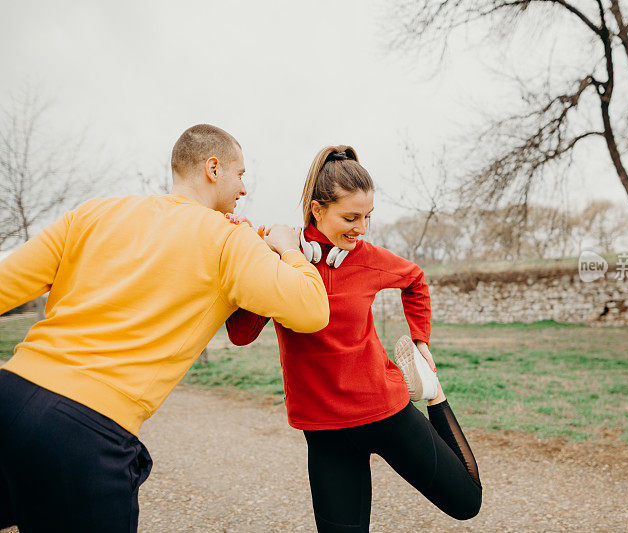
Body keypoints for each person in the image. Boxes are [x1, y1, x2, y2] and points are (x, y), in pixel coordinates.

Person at [0, 124, 329, 532]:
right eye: (240, 174)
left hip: (9, 395)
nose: (244, 188)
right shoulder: (229, 241)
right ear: (214, 168)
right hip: (85, 432)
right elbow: (312, 310)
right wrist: (291, 252)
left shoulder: (92, 213)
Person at [225, 145, 481, 532]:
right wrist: (268, 255)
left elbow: (414, 280)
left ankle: (434, 392)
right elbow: (241, 335)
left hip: (385, 410)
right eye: (350, 217)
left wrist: (421, 340)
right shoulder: (283, 261)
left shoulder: (367, 257)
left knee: (466, 503)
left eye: (367, 217)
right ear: (317, 209)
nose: (361, 229)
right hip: (325, 430)